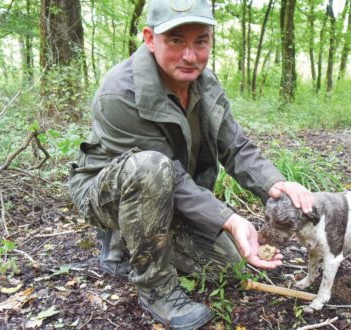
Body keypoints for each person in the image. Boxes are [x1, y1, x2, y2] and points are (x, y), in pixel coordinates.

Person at [68, 0, 314, 329]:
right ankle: (155, 287)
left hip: (170, 194)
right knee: (151, 168)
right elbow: (165, 173)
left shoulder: (204, 82)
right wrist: (229, 219)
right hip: (108, 193)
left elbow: (235, 145)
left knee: (227, 269)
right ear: (149, 38)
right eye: (176, 40)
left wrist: (274, 183)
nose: (190, 55)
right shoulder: (119, 94)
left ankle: (136, 239)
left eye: (201, 41)